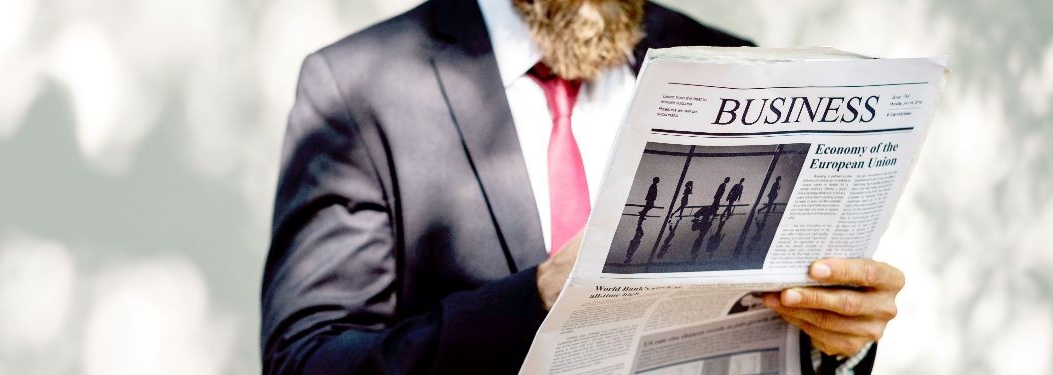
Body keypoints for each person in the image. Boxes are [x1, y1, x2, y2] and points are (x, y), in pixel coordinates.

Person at [263, 0, 904, 373]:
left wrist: (833, 344)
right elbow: (308, 361)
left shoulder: (723, 58)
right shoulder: (358, 87)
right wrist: (537, 298)